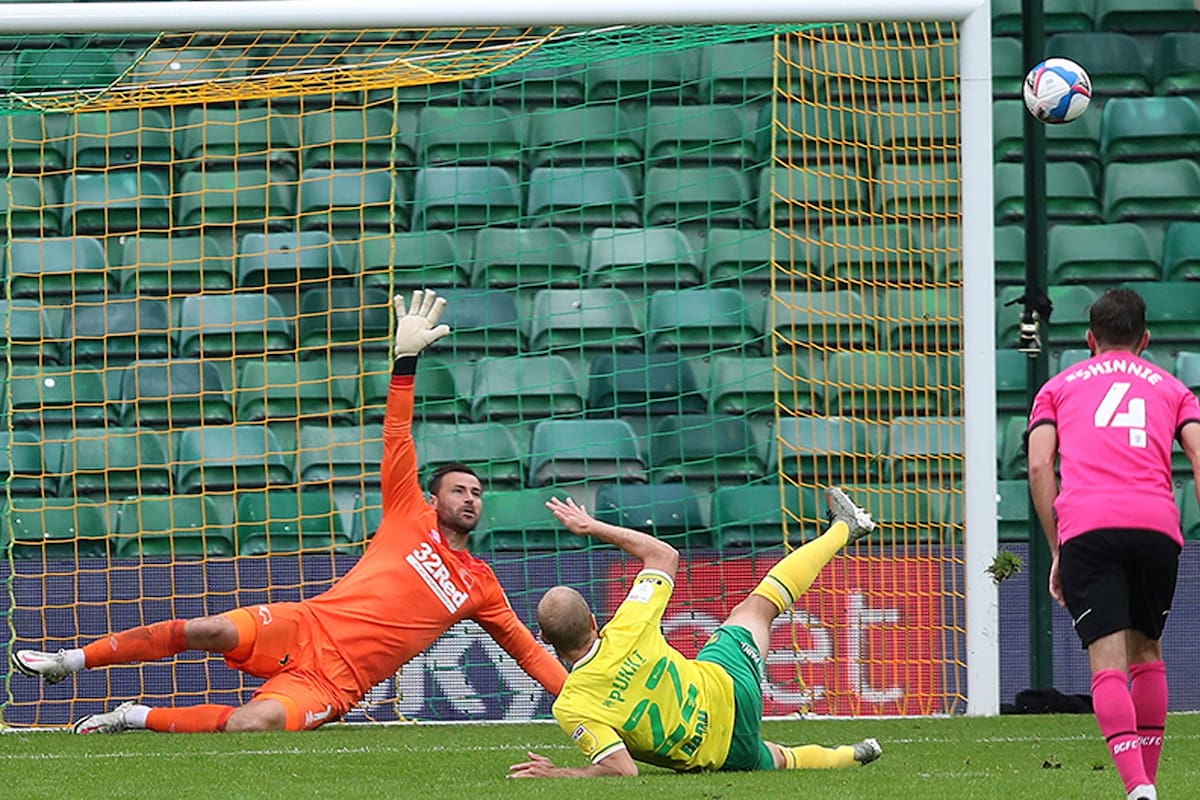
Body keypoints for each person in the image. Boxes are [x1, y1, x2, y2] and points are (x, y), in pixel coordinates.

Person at [12, 289, 568, 734]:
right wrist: (404, 360)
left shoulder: (481, 586)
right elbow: (396, 433)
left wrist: (581, 698)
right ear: (433, 498)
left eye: (476, 493)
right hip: (303, 627)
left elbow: (528, 652)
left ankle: (132, 716)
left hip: (334, 684)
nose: (469, 498)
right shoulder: (406, 512)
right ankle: (70, 660)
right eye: (458, 490)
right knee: (205, 628)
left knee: (251, 725)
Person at [508, 488, 882, 778]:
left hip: (718, 754)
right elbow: (663, 556)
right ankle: (845, 528)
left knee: (779, 759)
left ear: (545, 639)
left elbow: (623, 769)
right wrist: (592, 526)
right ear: (593, 620)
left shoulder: (571, 706)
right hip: (732, 690)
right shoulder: (627, 624)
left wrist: (559, 772)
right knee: (757, 609)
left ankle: (855, 754)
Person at [1027, 288, 1200, 800]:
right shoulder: (1174, 389)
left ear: (1089, 340)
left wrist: (1059, 547)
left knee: (1108, 663)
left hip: (1089, 527)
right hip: (1155, 526)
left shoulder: (1056, 388)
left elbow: (1039, 466)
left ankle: (1137, 787)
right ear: (1145, 340)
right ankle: (1147, 784)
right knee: (1147, 651)